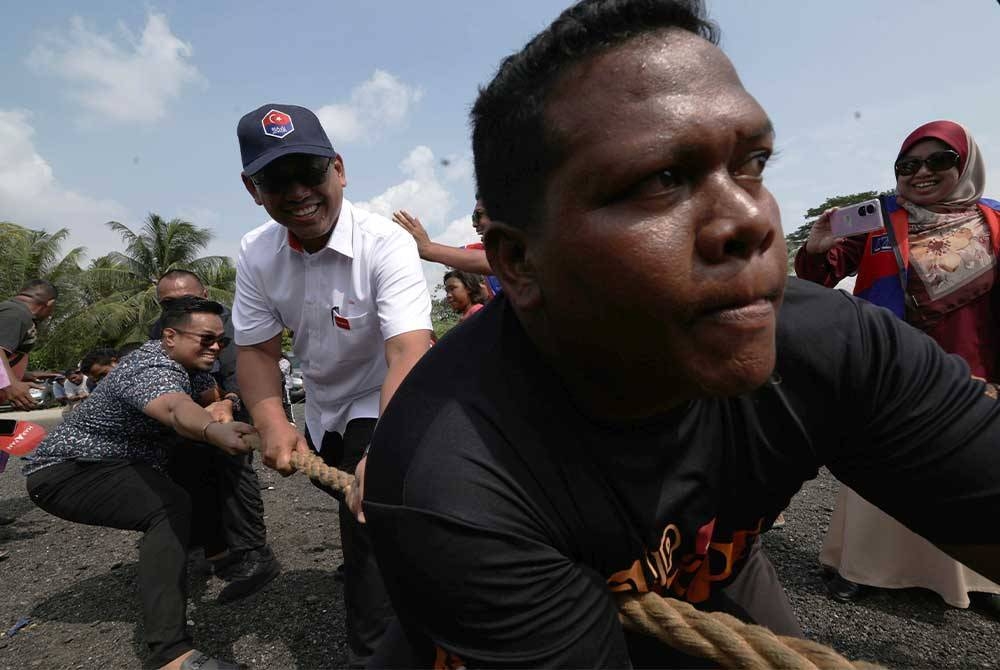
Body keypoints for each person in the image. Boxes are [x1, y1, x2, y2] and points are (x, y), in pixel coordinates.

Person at [359, 1, 1000, 667]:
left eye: (752, 163)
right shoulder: (455, 477)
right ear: (519, 262)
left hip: (712, 572)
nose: (752, 218)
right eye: (662, 180)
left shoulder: (825, 343)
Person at [232, 103, 433, 666]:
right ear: (253, 189)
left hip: (386, 395)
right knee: (351, 493)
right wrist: (272, 421)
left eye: (310, 172)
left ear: (339, 169)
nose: (298, 192)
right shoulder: (255, 252)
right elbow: (256, 349)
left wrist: (388, 449)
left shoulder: (384, 243)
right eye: (276, 179)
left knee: (368, 520)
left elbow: (408, 350)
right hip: (322, 407)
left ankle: (376, 653)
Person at [795, 120, 1000, 615]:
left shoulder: (994, 221)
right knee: (880, 462)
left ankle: (979, 582)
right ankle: (861, 569)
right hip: (889, 368)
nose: (921, 173)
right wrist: (818, 245)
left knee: (969, 468)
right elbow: (821, 273)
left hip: (973, 364)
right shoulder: (879, 219)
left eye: (938, 161)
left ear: (967, 165)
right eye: (908, 165)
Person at [24, 297, 255, 670]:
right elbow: (176, 410)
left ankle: (214, 553)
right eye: (206, 339)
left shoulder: (190, 366)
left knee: (199, 456)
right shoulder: (150, 365)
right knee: (168, 506)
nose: (215, 348)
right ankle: (171, 655)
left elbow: (209, 398)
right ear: (169, 336)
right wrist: (213, 429)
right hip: (68, 470)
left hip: (125, 462)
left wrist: (222, 409)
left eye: (221, 342)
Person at [152, 270, 280, 602]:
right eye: (169, 303)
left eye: (189, 300)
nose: (181, 306)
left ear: (206, 294)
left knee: (233, 471)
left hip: (232, 405)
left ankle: (254, 551)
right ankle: (208, 547)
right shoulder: (160, 330)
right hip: (185, 414)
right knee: (186, 475)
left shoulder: (231, 324)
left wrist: (229, 402)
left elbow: (245, 372)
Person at [393, 199, 503, 297]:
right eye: (473, 218)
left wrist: (429, 249)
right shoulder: (478, 249)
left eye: (478, 215)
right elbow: (454, 255)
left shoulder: (515, 252)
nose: (474, 224)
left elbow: (490, 260)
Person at [0, 280, 57, 410]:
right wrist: (11, 384)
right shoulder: (15, 313)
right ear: (50, 303)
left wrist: (22, 375)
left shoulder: (15, 312)